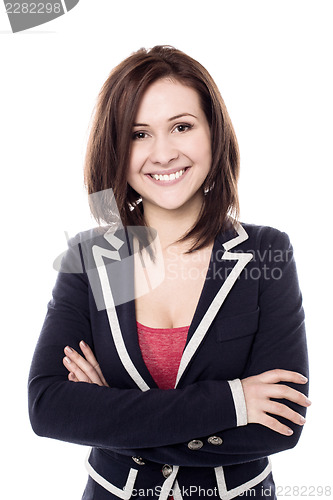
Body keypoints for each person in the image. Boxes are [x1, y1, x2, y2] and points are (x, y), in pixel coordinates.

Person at [28, 46, 310, 500]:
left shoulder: (263, 252)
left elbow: (280, 426)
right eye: (139, 134)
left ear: (213, 133)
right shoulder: (98, 256)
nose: (163, 153)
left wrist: (111, 416)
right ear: (115, 148)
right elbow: (49, 409)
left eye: (181, 126)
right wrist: (233, 402)